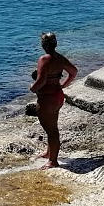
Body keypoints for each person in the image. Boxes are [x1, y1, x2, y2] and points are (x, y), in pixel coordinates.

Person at [30, 32, 78, 168]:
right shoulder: (59, 58)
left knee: (51, 130)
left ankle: (53, 161)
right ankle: (49, 153)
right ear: (55, 44)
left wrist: (32, 88)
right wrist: (63, 84)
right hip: (58, 95)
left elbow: (41, 81)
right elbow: (73, 72)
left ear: (43, 45)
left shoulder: (44, 59)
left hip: (47, 98)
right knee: (52, 126)